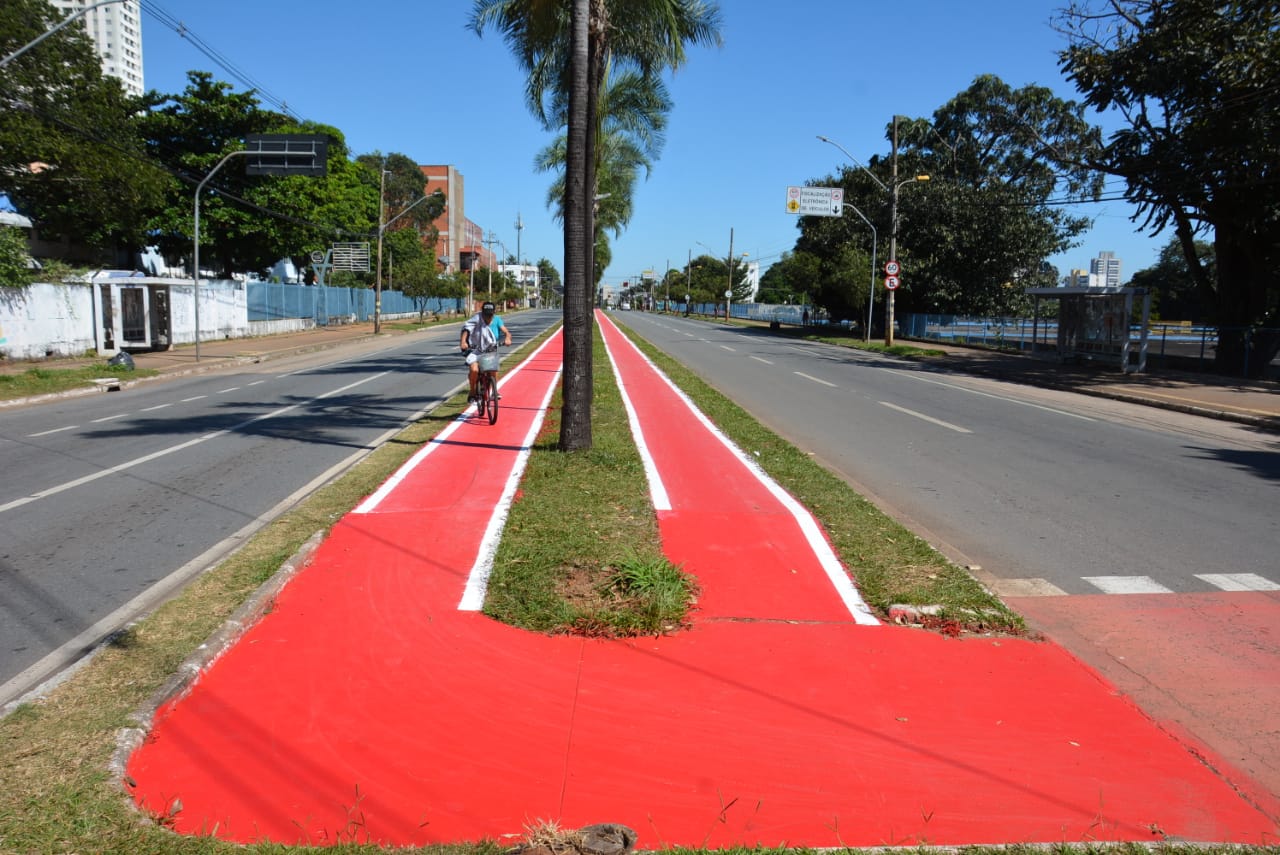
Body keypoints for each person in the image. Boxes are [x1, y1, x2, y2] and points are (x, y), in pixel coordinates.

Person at [460, 301, 512, 402]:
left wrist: (507, 338)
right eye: (485, 314)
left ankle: (494, 391)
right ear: (482, 312)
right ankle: (472, 391)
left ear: (494, 313)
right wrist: (463, 342)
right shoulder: (477, 318)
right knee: (474, 370)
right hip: (475, 349)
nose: (487, 317)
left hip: (490, 348)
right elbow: (467, 329)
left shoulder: (497, 319)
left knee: (493, 369)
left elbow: (506, 331)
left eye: (490, 315)